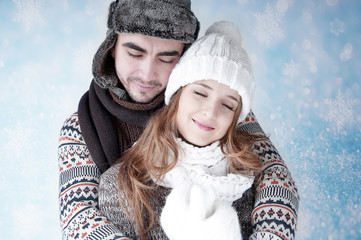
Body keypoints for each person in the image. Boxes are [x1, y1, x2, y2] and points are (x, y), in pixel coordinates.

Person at [58, 1, 299, 239]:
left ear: (184, 56)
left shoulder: (210, 104)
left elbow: (276, 178)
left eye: (166, 59)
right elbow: (79, 217)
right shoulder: (80, 127)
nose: (147, 74)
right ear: (112, 47)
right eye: (134, 53)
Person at [99, 21, 265, 240]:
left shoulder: (246, 181)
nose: (210, 112)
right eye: (200, 93)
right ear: (177, 96)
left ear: (236, 118)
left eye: (228, 105)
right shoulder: (124, 185)